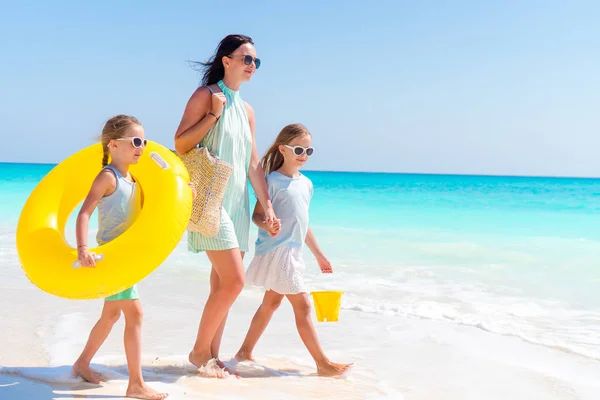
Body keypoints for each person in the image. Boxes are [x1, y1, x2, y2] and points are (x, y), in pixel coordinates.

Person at [173, 34, 278, 377]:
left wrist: (267, 206)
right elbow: (180, 144)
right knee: (234, 281)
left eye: (256, 62)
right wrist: (213, 116)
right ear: (226, 61)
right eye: (246, 59)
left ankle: (211, 358)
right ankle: (199, 351)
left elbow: (252, 164)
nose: (252, 66)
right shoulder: (206, 96)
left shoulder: (247, 111)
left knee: (221, 285)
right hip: (210, 200)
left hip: (237, 202)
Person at [234, 123, 352, 377]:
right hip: (278, 250)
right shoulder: (271, 181)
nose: (304, 155)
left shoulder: (307, 184)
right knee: (304, 306)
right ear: (283, 149)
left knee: (271, 303)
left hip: (293, 251)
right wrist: (268, 224)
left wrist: (319, 255)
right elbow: (257, 216)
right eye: (299, 149)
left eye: (309, 151)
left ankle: (244, 351)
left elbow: (303, 224)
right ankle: (323, 363)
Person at [71, 115, 168, 399]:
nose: (142, 147)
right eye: (136, 141)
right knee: (135, 314)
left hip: (128, 257)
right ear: (113, 145)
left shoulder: (134, 177)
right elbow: (85, 212)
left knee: (112, 314)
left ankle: (81, 363)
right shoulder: (107, 176)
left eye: (144, 141)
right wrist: (82, 249)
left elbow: (152, 207)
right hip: (113, 258)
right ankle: (136, 384)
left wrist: (184, 192)